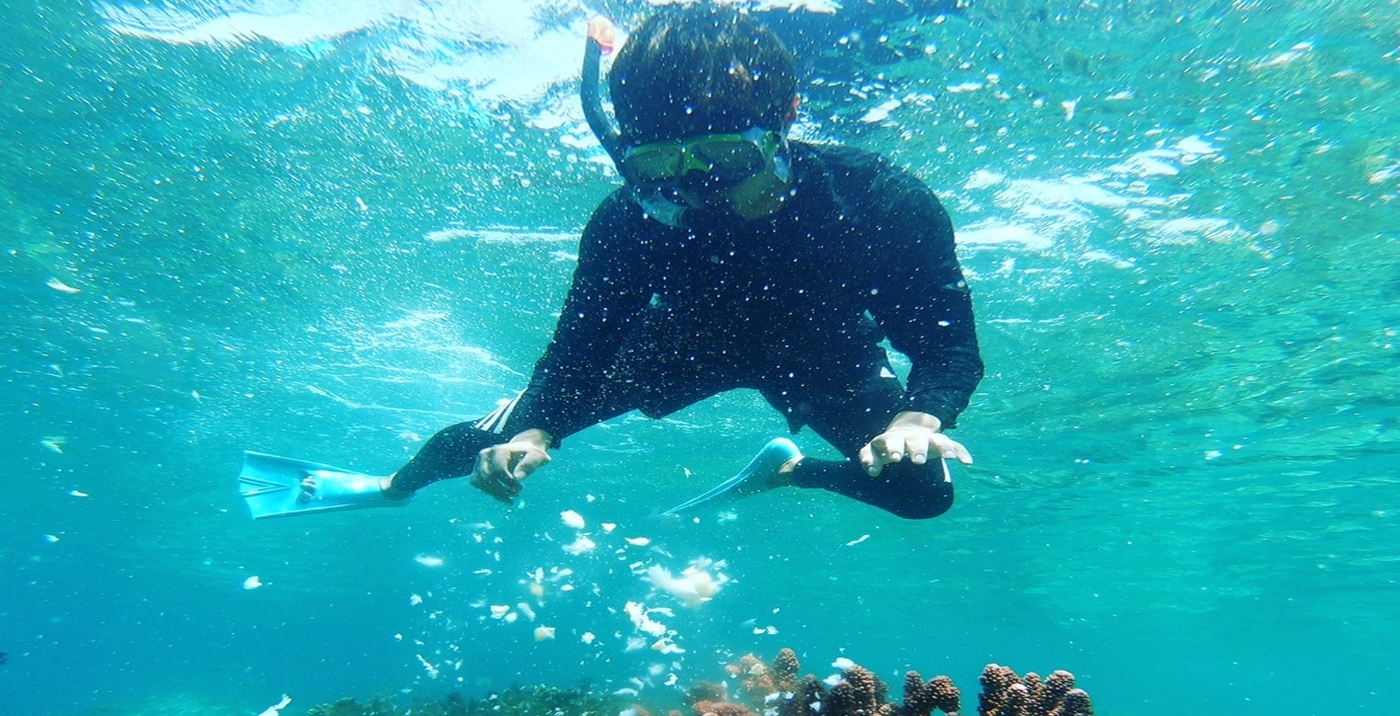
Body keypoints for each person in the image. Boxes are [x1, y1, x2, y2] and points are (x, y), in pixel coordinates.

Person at [239, 3, 981, 522]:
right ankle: (392, 485)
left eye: (725, 159)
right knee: (499, 436)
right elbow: (578, 351)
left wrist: (919, 417)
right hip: (678, 345)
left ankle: (788, 473)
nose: (697, 193)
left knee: (922, 493)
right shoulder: (629, 219)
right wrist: (535, 432)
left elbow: (948, 346)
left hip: (824, 352)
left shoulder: (877, 199)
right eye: (661, 165)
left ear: (786, 118)